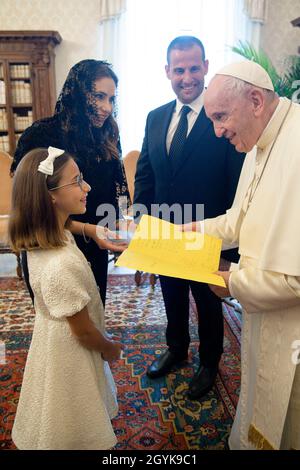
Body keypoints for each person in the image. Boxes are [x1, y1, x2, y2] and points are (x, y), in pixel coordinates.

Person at [182, 60, 300, 449]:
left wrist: (229, 279)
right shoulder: (260, 140)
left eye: (220, 116)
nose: (217, 131)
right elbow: (239, 218)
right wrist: (186, 233)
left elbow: (295, 279)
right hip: (262, 310)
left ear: (254, 100)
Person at [133, 36, 245, 399]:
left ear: (206, 67)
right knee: (173, 296)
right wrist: (141, 222)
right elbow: (146, 175)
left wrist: (232, 249)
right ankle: (177, 349)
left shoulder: (224, 117)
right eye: (178, 69)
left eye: (194, 68)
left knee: (208, 302)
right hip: (164, 231)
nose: (187, 77)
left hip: (209, 234)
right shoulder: (155, 117)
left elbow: (235, 184)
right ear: (167, 71)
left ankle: (210, 361)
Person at [9, 147, 122, 450]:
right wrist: (110, 348)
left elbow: (66, 224)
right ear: (51, 197)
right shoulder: (61, 264)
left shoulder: (43, 236)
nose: (87, 187)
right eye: (77, 181)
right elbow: (83, 331)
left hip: (49, 341)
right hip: (71, 352)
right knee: (73, 418)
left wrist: (91, 229)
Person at [10, 59, 129, 306]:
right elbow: (32, 206)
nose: (107, 107)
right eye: (98, 96)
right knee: (61, 321)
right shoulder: (41, 135)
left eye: (111, 99)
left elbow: (113, 194)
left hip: (95, 243)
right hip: (50, 243)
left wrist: (118, 229)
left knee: (94, 314)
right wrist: (88, 229)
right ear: (77, 93)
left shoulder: (108, 135)